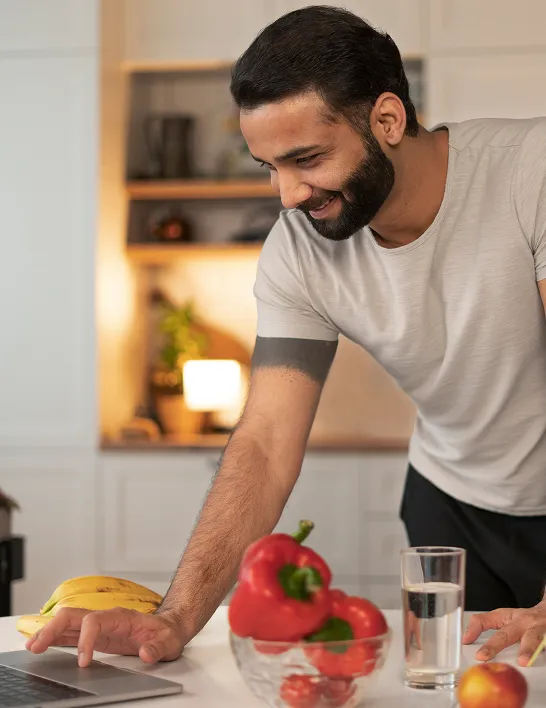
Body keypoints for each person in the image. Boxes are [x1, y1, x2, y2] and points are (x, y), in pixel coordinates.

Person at [27, 5, 546, 670]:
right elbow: (267, 443)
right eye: (269, 166)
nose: (288, 196)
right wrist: (175, 618)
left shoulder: (528, 174)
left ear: (387, 120)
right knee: (459, 685)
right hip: (450, 510)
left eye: (307, 159)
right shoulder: (298, 252)